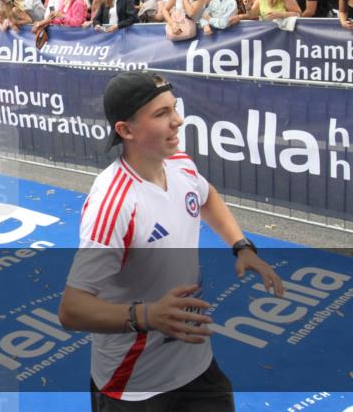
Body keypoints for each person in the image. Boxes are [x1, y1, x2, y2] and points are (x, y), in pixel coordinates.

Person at [59, 71, 283, 409]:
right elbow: (71, 310)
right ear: (125, 130)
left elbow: (206, 197)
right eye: (162, 114)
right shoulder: (114, 203)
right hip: (134, 386)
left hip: (197, 366)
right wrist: (148, 316)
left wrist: (241, 246)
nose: (177, 121)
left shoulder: (179, 163)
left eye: (174, 108)